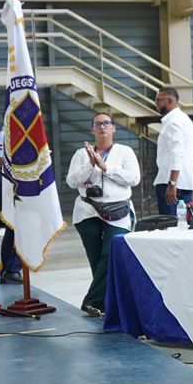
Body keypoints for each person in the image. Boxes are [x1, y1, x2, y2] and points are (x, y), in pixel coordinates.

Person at [66, 111, 139, 317]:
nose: (102, 127)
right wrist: (90, 164)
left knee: (110, 254)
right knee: (97, 259)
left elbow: (134, 179)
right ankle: (105, 305)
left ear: (113, 128)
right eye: (98, 124)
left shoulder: (124, 152)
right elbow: (72, 181)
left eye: (106, 123)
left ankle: (92, 301)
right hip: (88, 211)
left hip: (118, 211)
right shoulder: (81, 154)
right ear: (92, 130)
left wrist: (105, 167)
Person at [152, 86, 193, 213]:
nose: (156, 104)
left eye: (158, 100)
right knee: (182, 221)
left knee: (170, 222)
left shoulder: (173, 122)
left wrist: (172, 183)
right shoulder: (183, 118)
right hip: (183, 182)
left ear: (169, 101)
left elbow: (177, 153)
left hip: (172, 182)